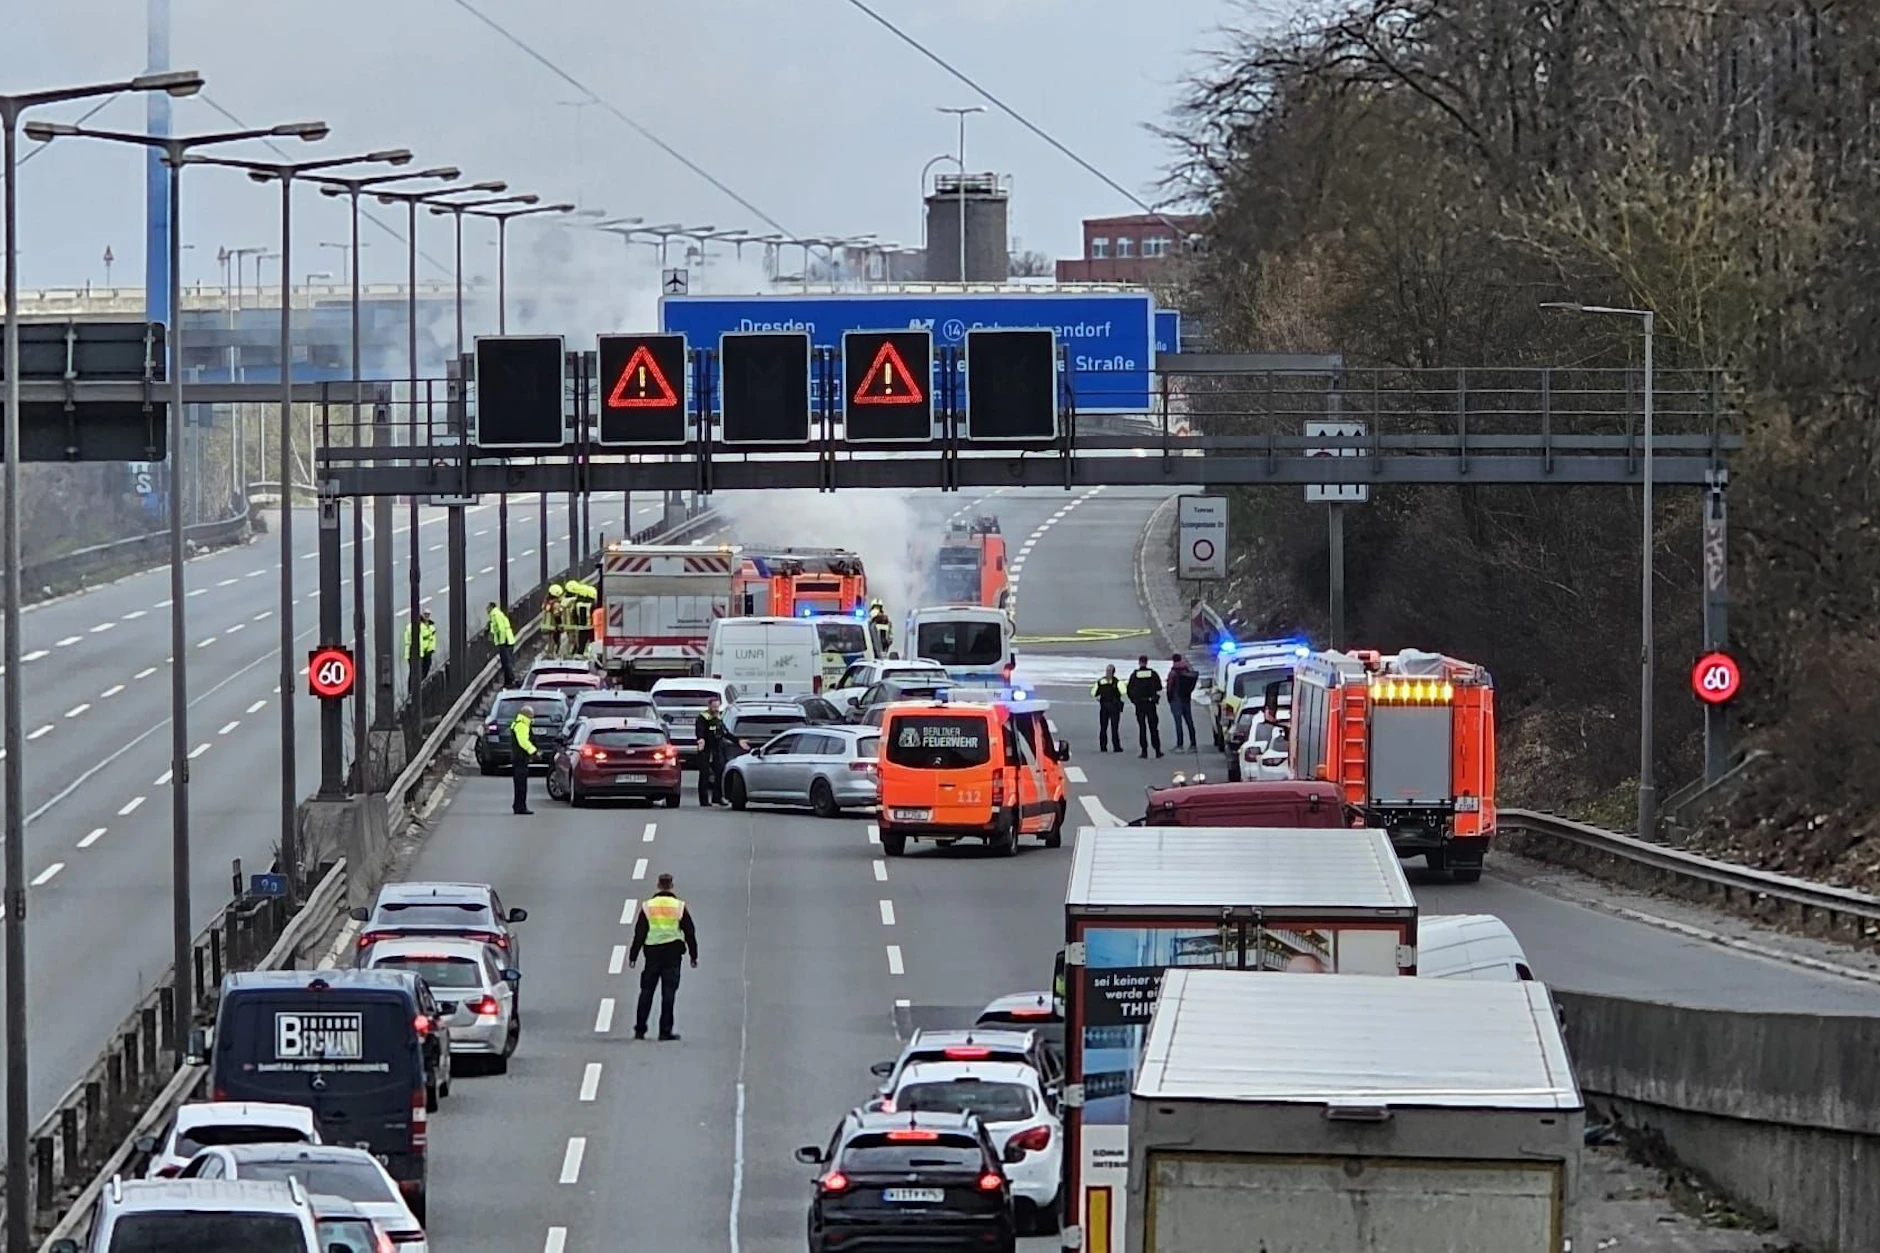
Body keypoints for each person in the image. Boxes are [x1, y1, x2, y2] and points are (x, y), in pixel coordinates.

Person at [629, 873, 698, 1041]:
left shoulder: (648, 906)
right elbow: (689, 931)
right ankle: (665, 1030)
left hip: (652, 953)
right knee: (668, 993)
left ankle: (640, 1030)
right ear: (671, 885)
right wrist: (693, 954)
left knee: (646, 991)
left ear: (658, 885)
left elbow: (640, 932)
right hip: (673, 953)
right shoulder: (679, 906)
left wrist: (633, 955)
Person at [694, 697, 744, 807]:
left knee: (720, 772)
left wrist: (738, 741)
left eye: (717, 706)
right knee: (705, 775)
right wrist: (700, 740)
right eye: (714, 707)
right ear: (709, 706)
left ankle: (717, 798)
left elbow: (725, 732)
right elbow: (700, 732)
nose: (716, 709)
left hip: (717, 749)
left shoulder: (718, 717)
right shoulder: (703, 718)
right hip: (705, 749)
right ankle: (704, 800)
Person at [1126, 655, 1164, 759]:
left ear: (1139, 662)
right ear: (1147, 662)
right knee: (1153, 728)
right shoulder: (1152, 674)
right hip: (1150, 703)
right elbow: (1159, 687)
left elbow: (1129, 690)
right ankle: (1157, 750)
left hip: (1140, 704)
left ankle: (1144, 751)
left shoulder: (1135, 675)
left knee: (1142, 728)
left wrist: (1134, 701)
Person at [1166, 652, 1199, 750]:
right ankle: (1193, 744)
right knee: (1189, 721)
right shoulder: (1187, 670)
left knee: (1178, 723)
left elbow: (1169, 687)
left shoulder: (1173, 672)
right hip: (1186, 699)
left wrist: (1169, 698)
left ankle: (1180, 745)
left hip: (1176, 700)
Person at [509, 704, 537, 815]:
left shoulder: (521, 723)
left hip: (519, 758)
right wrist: (533, 751)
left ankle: (519, 805)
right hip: (520, 758)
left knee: (520, 783)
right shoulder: (521, 725)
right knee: (521, 784)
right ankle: (520, 806)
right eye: (532, 715)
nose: (533, 717)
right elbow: (523, 741)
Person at [1091, 664, 1125, 753]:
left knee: (1103, 727)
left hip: (1104, 706)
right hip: (1114, 706)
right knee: (1114, 727)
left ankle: (1103, 747)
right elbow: (1124, 691)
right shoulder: (1117, 682)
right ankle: (1116, 747)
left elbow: (1093, 693)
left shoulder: (1101, 682)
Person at [487, 600, 517, 687]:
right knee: (505, 663)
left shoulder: (496, 615)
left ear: (491, 607)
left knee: (506, 662)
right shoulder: (495, 615)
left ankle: (511, 681)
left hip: (506, 642)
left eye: (487, 608)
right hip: (507, 641)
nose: (486, 610)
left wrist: (502, 642)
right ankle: (508, 681)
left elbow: (501, 629)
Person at [404, 610, 438, 684]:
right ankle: (413, 691)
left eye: (428, 615)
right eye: (425, 614)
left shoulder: (429, 626)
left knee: (423, 671)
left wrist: (431, 649)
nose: (427, 616)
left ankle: (419, 687)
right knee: (415, 673)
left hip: (426, 652)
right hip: (415, 653)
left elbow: (430, 638)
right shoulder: (413, 627)